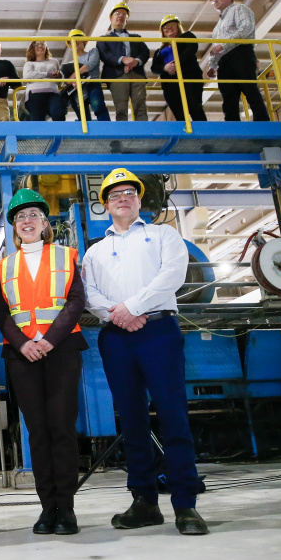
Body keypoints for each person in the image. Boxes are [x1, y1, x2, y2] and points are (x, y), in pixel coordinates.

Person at [80, 168, 209, 536]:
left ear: (139, 200)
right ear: (105, 204)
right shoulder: (95, 251)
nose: (123, 198)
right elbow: (89, 296)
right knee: (132, 420)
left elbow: (172, 275)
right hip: (116, 337)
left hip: (158, 332)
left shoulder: (163, 235)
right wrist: (117, 316)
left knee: (173, 415)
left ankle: (185, 504)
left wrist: (131, 308)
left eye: (129, 193)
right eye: (115, 194)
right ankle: (144, 501)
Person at [0, 190, 88, 536]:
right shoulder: (4, 266)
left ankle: (67, 508)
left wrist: (49, 340)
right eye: (20, 217)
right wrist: (22, 344)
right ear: (15, 228)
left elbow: (76, 301)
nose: (27, 221)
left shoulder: (66, 256)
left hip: (60, 351)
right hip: (23, 356)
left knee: (61, 429)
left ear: (45, 223)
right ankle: (48, 508)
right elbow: (0, 311)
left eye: (33, 215)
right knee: (37, 432)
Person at [201, 0, 270, 122]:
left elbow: (245, 29)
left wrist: (224, 46)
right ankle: (232, 125)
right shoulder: (217, 27)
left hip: (241, 54)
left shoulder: (240, 9)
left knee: (250, 90)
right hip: (224, 62)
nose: (215, 1)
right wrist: (212, 66)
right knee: (228, 97)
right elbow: (216, 47)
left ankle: (262, 122)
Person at [97, 1, 152, 121]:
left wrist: (135, 61)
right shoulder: (103, 39)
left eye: (124, 15)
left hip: (137, 74)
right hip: (117, 75)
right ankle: (124, 139)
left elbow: (145, 52)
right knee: (121, 108)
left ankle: (144, 137)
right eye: (117, 13)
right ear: (111, 18)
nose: (121, 16)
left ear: (126, 20)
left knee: (140, 107)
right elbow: (104, 55)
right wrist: (123, 60)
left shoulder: (136, 38)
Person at [150, 15, 208, 123]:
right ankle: (184, 135)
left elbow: (191, 49)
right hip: (170, 82)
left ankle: (204, 134)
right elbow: (154, 67)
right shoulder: (159, 51)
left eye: (172, 25)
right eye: (165, 27)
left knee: (194, 106)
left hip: (189, 77)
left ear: (178, 27)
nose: (169, 29)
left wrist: (175, 63)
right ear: (162, 31)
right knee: (177, 109)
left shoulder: (187, 36)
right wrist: (165, 67)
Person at [61, 29, 110, 122]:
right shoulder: (68, 64)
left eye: (77, 39)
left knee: (98, 106)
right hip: (77, 89)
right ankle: (86, 135)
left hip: (92, 84)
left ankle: (106, 129)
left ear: (84, 41)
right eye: (71, 40)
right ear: (69, 44)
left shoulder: (93, 52)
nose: (75, 42)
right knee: (83, 115)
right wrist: (72, 80)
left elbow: (91, 64)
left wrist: (74, 75)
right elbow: (66, 80)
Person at [22, 40, 66, 122]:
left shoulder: (54, 61)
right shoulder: (29, 63)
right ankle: (38, 135)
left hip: (52, 92)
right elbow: (27, 76)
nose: (40, 46)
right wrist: (48, 74)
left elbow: (60, 81)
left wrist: (59, 75)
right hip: (35, 94)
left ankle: (60, 134)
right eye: (37, 45)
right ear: (32, 48)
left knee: (59, 114)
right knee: (38, 120)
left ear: (46, 48)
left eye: (42, 44)